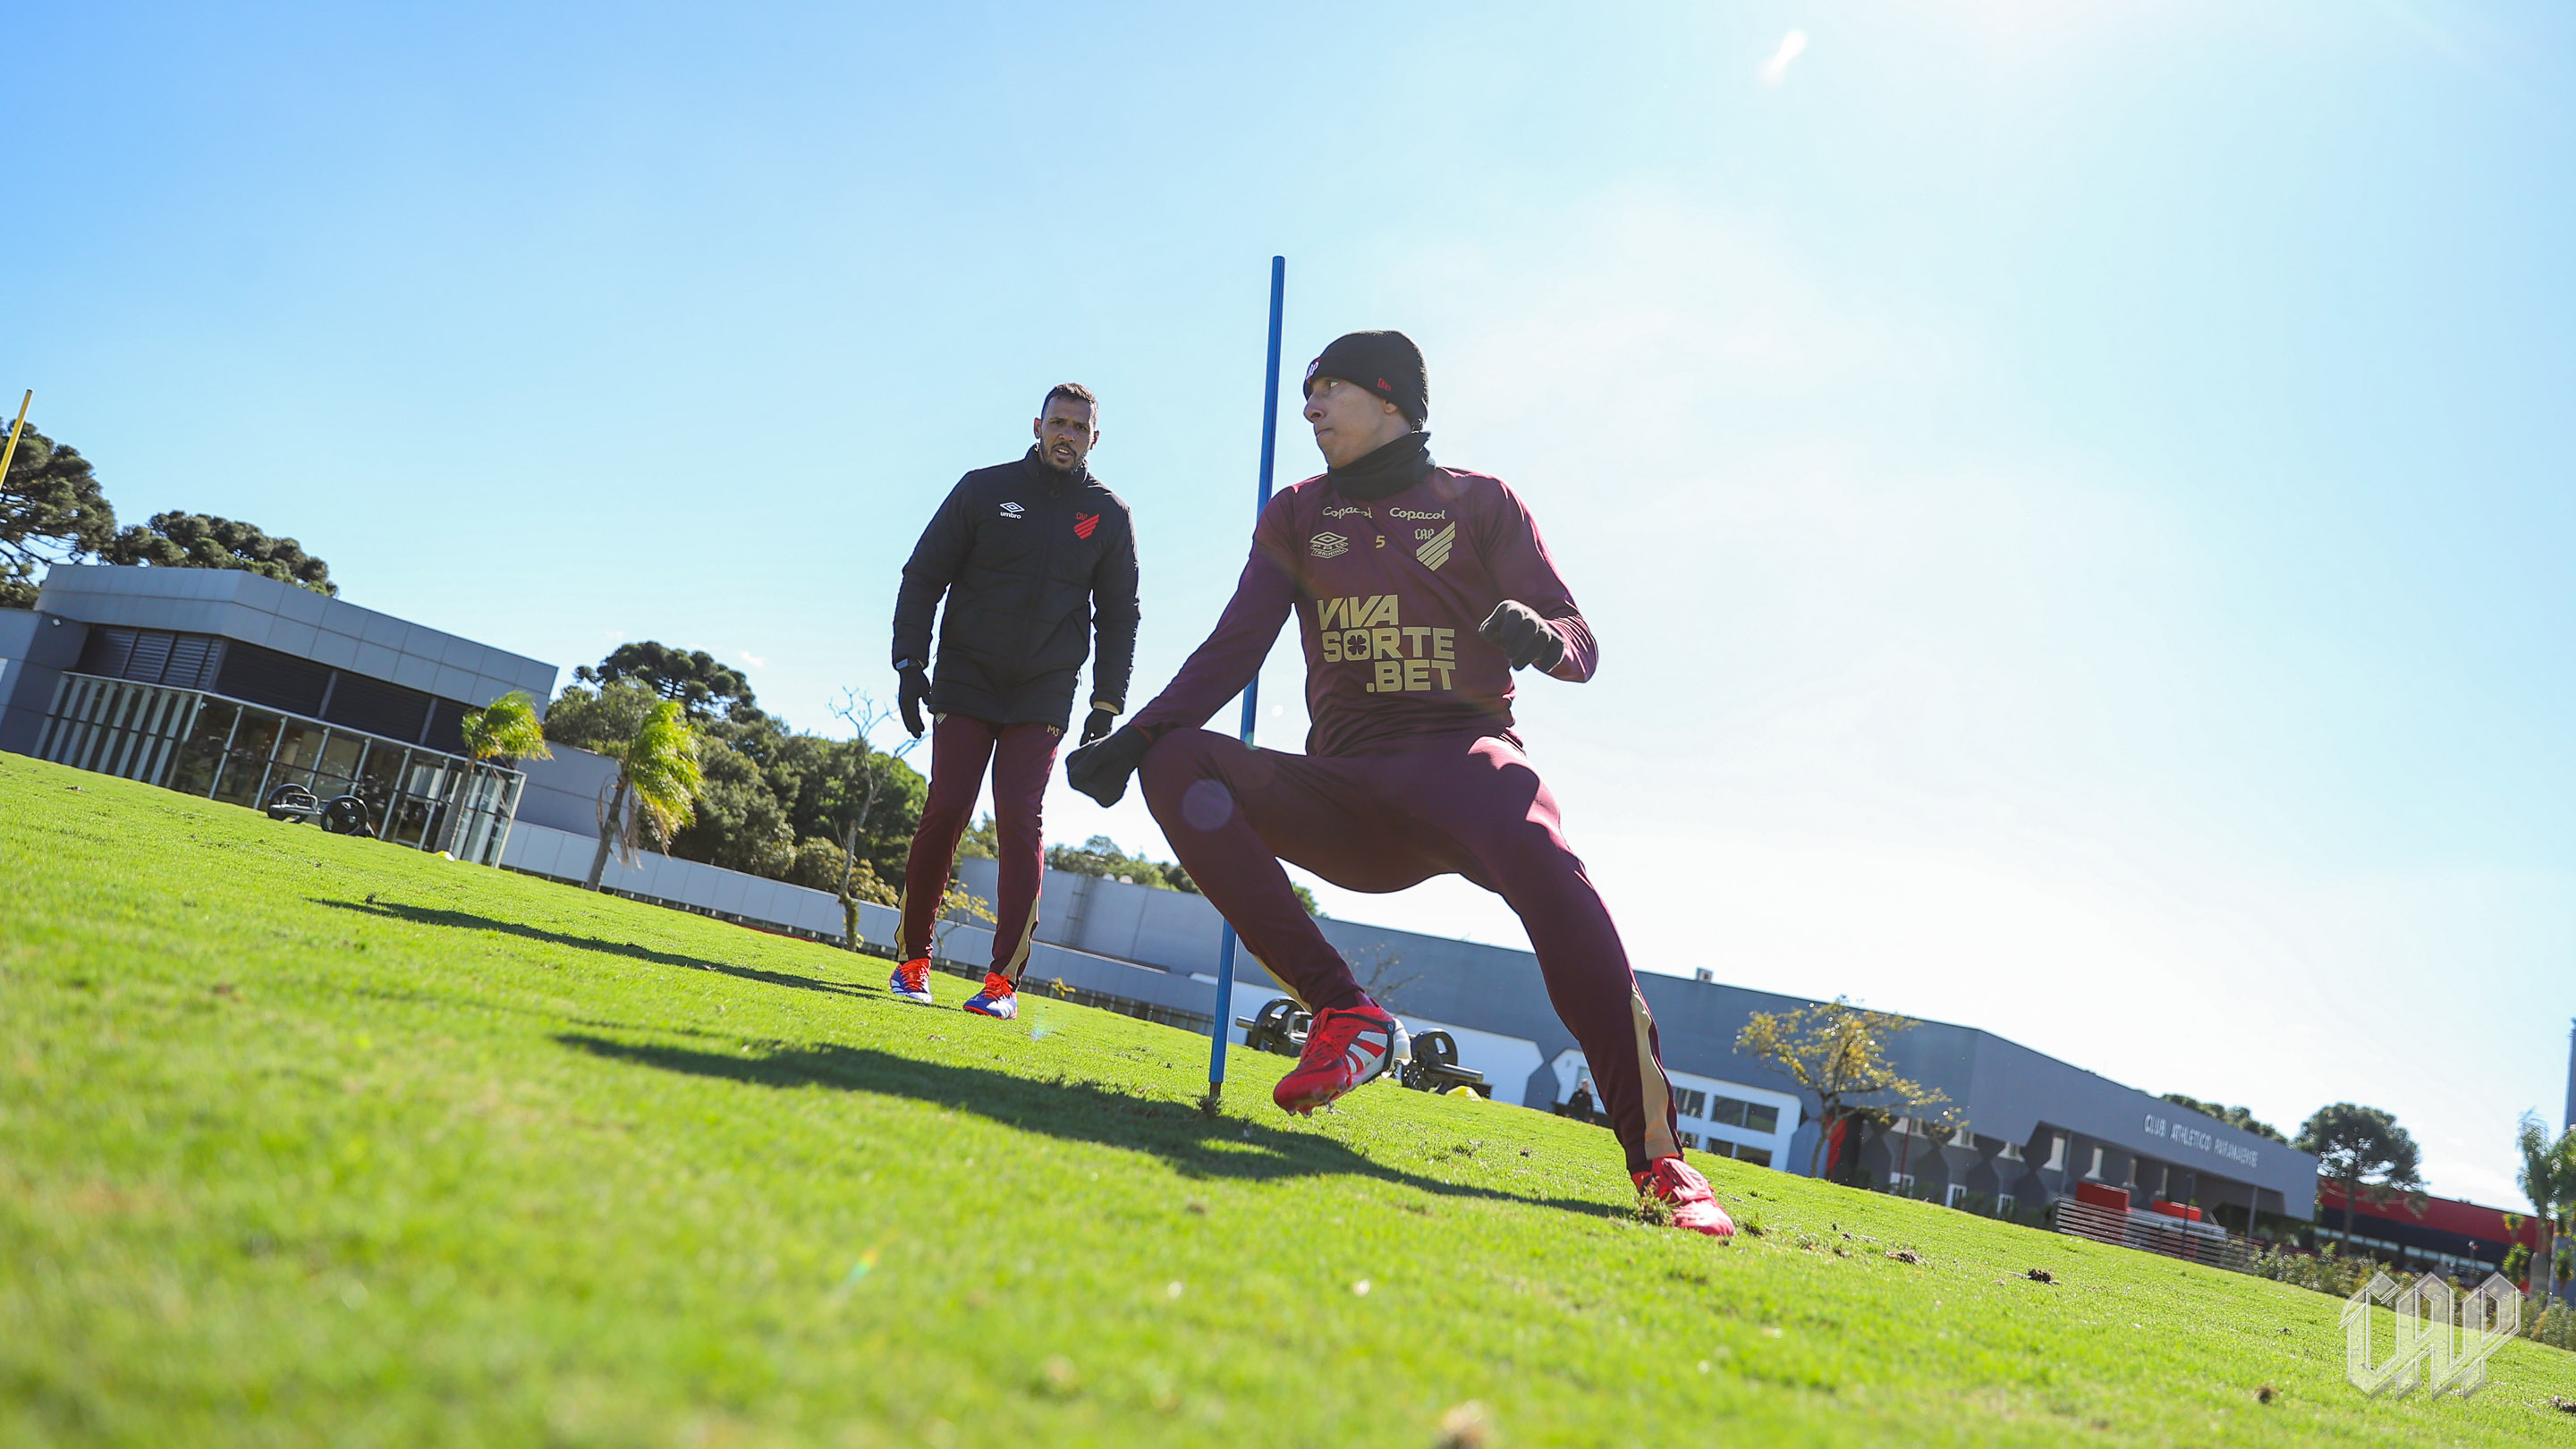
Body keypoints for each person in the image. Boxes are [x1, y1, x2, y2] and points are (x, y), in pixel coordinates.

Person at [1063, 331, 1733, 1236]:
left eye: (1327, 389)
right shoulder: (1297, 513)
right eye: (1305, 392)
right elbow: (1234, 648)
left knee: (1550, 867)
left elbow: (1579, 638)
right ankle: (1346, 1013)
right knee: (1178, 761)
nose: (1309, 407)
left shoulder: (1481, 501)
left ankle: (1660, 1160)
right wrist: (1139, 736)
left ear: (1390, 401)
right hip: (1348, 794)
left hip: (1465, 767)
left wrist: (1541, 637)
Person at [887, 383, 1139, 1021]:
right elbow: (924, 574)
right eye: (1058, 423)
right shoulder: (982, 489)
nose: (1066, 435)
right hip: (967, 677)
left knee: (1020, 819)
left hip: (1044, 690)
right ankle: (912, 963)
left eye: (1078, 427)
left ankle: (1002, 983)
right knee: (947, 806)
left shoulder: (1108, 514)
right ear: (1037, 425)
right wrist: (910, 663)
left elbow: (1120, 615)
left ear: (1094, 438)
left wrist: (1107, 702)